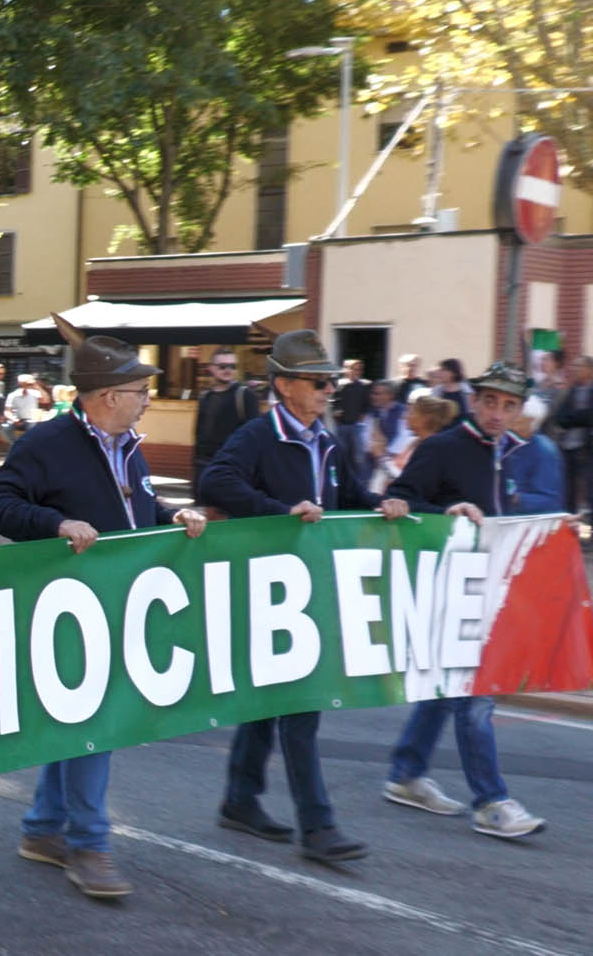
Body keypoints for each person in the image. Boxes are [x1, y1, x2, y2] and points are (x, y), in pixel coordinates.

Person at [0, 315, 207, 899]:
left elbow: (138, 508)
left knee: (79, 722)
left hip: (121, 604)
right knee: (95, 723)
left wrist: (170, 517)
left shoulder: (126, 446)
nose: (146, 401)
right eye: (139, 392)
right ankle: (88, 842)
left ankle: (41, 829)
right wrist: (55, 523)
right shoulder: (47, 443)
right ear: (108, 397)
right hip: (69, 607)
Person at [198, 330, 410, 864]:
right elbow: (216, 482)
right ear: (285, 385)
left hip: (312, 588)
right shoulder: (257, 436)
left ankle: (240, 798)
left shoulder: (328, 441)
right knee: (301, 704)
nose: (328, 391)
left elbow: (350, 496)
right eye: (318, 382)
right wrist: (279, 510)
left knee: (270, 701)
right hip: (269, 588)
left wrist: (384, 504)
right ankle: (317, 826)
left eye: (331, 382)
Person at [382, 361, 547, 839]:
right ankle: (491, 801)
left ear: (518, 410)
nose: (498, 413)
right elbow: (397, 502)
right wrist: (446, 512)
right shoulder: (441, 447)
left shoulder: (512, 452)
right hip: (442, 588)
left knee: (445, 691)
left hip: (486, 591)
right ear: (475, 401)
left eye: (509, 405)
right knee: (475, 698)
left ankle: (406, 774)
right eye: (491, 401)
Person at [192, 347, 260, 502]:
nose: (228, 370)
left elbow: (255, 437)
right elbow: (199, 436)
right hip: (204, 468)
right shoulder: (205, 397)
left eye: (232, 366)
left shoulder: (245, 395)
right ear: (211, 368)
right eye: (222, 366)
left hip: (233, 470)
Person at [549, 355, 593, 516]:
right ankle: (570, 523)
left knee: (589, 491)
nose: (574, 370)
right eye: (573, 366)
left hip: (586, 449)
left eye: (579, 366)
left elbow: (589, 417)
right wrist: (578, 417)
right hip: (567, 447)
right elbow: (560, 418)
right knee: (568, 491)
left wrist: (573, 417)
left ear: (589, 370)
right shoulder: (572, 391)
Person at [4, 373, 44, 444]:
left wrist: (37, 386)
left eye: (30, 384)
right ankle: (16, 444)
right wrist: (13, 419)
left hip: (31, 420)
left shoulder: (35, 393)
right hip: (17, 419)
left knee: (32, 427)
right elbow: (7, 411)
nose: (28, 386)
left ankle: (28, 445)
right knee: (6, 427)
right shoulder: (13, 395)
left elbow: (46, 400)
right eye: (26, 384)